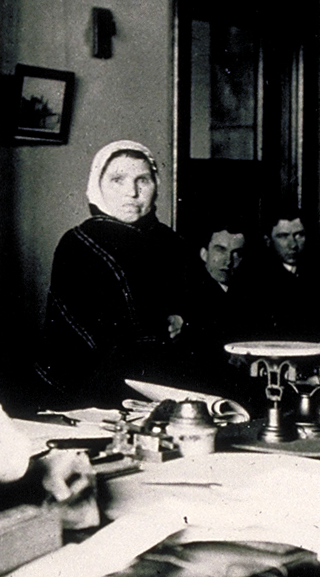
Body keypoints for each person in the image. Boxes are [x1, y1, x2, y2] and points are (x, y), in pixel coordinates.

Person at [33, 140, 207, 408]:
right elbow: (93, 332)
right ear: (98, 186)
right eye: (118, 180)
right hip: (99, 383)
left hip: (174, 377)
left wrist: (186, 321)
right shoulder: (80, 243)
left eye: (143, 180)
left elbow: (207, 307)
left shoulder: (173, 243)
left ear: (156, 186)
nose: (132, 192)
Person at [243, 204, 320, 342]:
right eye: (283, 236)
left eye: (299, 235)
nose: (293, 245)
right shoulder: (252, 280)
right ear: (268, 240)